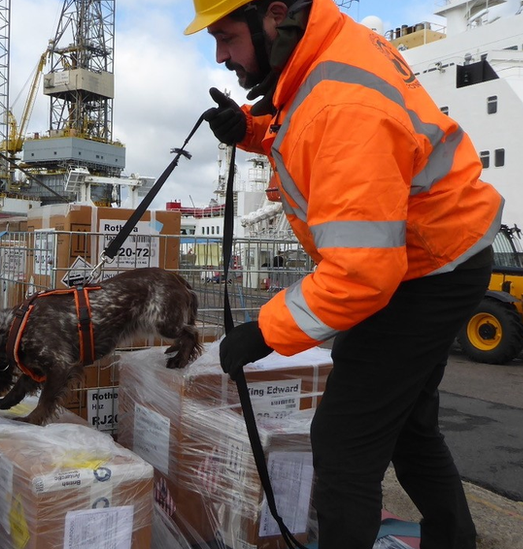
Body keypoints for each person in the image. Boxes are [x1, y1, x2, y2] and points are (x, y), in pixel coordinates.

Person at [184, 1, 504, 547]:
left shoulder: (339, 103)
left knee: (341, 445)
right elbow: (305, 132)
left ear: (274, 16)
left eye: (227, 36)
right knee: (408, 427)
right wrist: (250, 130)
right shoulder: (327, 53)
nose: (220, 56)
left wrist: (264, 332)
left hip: (424, 271)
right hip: (439, 254)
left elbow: (360, 272)